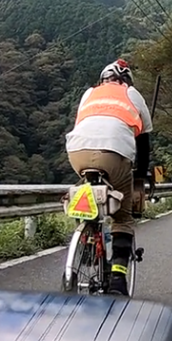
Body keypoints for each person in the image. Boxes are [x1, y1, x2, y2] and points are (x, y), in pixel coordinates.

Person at [65, 58, 153, 296]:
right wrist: (140, 177)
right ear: (126, 80)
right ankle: (117, 281)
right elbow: (143, 142)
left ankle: (89, 240)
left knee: (88, 192)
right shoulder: (132, 94)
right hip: (115, 153)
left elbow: (85, 125)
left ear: (103, 79)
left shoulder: (89, 94)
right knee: (122, 217)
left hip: (77, 152)